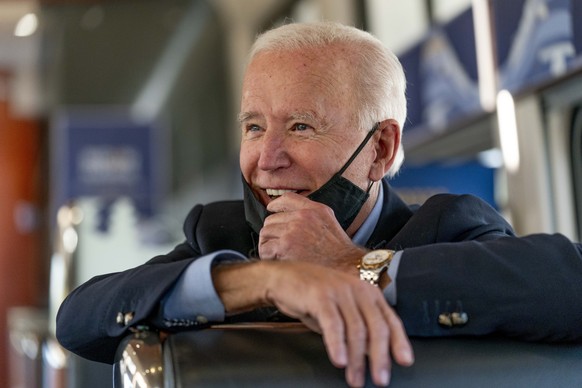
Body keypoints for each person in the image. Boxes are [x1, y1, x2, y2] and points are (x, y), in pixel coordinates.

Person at [56, 21, 582, 387]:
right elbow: (79, 319)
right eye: (254, 126)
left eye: (301, 126)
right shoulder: (218, 235)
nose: (267, 158)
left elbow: (566, 286)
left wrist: (357, 267)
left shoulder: (446, 225)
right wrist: (260, 280)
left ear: (380, 150)